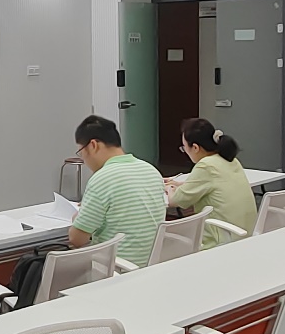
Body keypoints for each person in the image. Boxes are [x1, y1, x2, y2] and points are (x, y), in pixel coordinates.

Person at [68, 115, 166, 268]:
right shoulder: (151, 170)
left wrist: (78, 217)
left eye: (81, 152)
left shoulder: (102, 178)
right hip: (151, 266)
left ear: (93, 145)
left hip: (116, 270)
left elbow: (76, 239)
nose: (84, 160)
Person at [167, 118, 258, 249]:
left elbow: (176, 200)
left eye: (184, 148)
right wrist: (180, 185)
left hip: (220, 241)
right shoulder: (230, 160)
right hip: (245, 235)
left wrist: (169, 188)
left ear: (195, 148)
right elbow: (213, 184)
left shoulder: (206, 165)